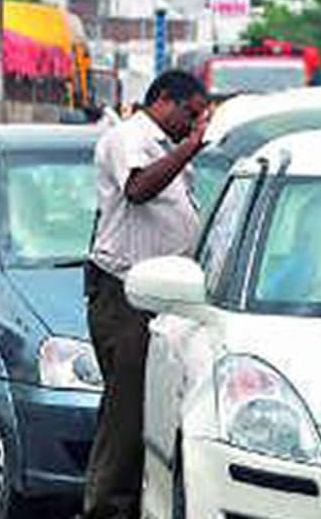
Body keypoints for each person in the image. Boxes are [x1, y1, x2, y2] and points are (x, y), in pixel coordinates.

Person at [84, 70, 209, 519]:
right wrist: (189, 147)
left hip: (160, 297)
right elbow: (137, 189)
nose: (192, 125)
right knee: (127, 413)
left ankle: (131, 506)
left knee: (147, 410)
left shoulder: (165, 147)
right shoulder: (131, 137)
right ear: (163, 100)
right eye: (189, 114)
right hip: (125, 294)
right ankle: (106, 509)